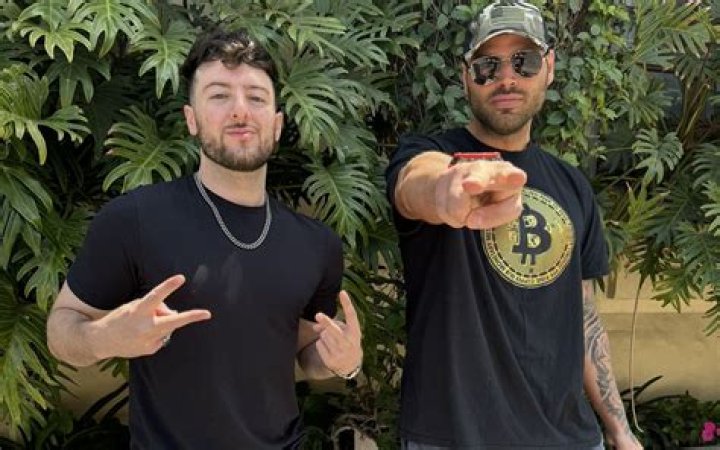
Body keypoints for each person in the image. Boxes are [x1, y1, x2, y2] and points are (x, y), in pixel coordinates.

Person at [46, 28, 363, 450]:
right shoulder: (134, 220)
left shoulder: (317, 245)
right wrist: (105, 337)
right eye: (219, 96)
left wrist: (343, 361)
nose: (240, 110)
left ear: (276, 123)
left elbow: (306, 354)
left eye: (256, 97)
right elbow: (60, 331)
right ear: (191, 119)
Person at [385, 1, 641, 449]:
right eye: (488, 65)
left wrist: (619, 429)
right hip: (456, 437)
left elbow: (583, 318)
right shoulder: (429, 153)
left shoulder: (572, 185)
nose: (506, 78)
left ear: (549, 68)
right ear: (466, 76)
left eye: (524, 61)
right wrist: (448, 188)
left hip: (569, 439)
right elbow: (415, 183)